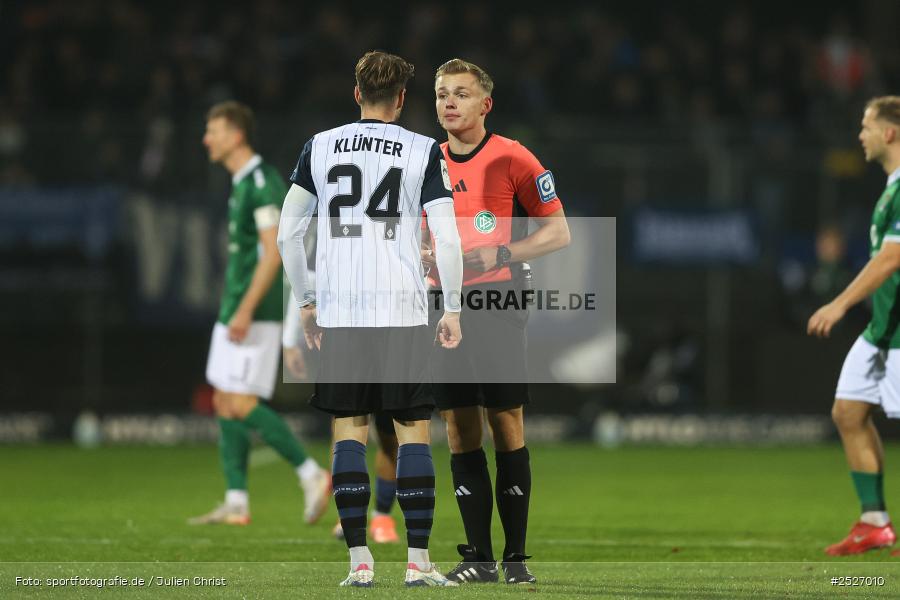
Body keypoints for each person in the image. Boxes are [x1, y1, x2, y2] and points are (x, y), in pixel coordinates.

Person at [277, 50, 464, 588]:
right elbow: (446, 235)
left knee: (349, 434)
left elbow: (289, 234)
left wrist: (308, 300)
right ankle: (418, 563)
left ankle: (359, 563)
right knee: (411, 434)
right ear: (402, 99)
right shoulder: (424, 151)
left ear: (356, 93)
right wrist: (451, 307)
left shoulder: (320, 146)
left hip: (343, 308)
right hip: (402, 307)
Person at [425, 58, 571, 585]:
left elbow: (559, 233)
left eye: (460, 94)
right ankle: (478, 559)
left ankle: (515, 560)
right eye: (442, 93)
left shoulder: (513, 157)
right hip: (443, 304)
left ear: (485, 104)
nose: (448, 102)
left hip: (496, 300)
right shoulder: (425, 160)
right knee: (459, 428)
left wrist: (503, 253)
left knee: (505, 424)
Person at [189, 101, 331, 527]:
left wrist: (247, 309)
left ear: (235, 135)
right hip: (235, 307)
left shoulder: (262, 181)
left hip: (255, 311)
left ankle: (311, 474)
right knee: (222, 399)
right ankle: (236, 501)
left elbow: (274, 253)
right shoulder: (241, 183)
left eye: (213, 130)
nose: (206, 139)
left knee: (240, 400)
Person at [808, 96, 900, 556]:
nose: (859, 135)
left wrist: (840, 303)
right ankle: (874, 522)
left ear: (890, 133)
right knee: (848, 412)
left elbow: (892, 257)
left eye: (866, 126)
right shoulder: (890, 187)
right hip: (882, 331)